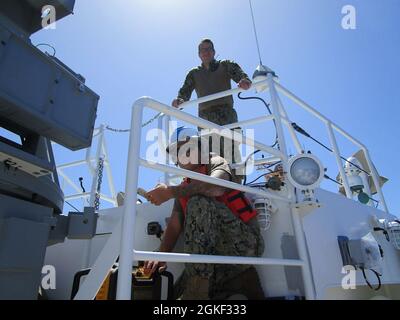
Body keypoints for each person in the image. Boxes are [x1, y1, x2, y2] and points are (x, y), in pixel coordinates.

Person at [144, 127, 265, 300]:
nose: (182, 154)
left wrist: (170, 192)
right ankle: (237, 279)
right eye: (177, 151)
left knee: (198, 201)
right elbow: (175, 223)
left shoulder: (216, 162)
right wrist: (161, 255)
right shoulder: (184, 185)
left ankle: (197, 292)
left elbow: (215, 186)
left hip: (247, 244)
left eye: (188, 148)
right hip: (216, 256)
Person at [171, 39, 252, 167]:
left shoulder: (225, 65)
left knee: (230, 152)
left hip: (226, 115)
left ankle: (235, 185)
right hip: (205, 118)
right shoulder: (194, 73)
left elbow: (240, 75)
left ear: (214, 52)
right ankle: (214, 185)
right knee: (210, 156)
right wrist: (180, 100)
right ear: (199, 54)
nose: (206, 52)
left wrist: (244, 81)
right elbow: (184, 92)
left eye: (209, 49)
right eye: (203, 50)